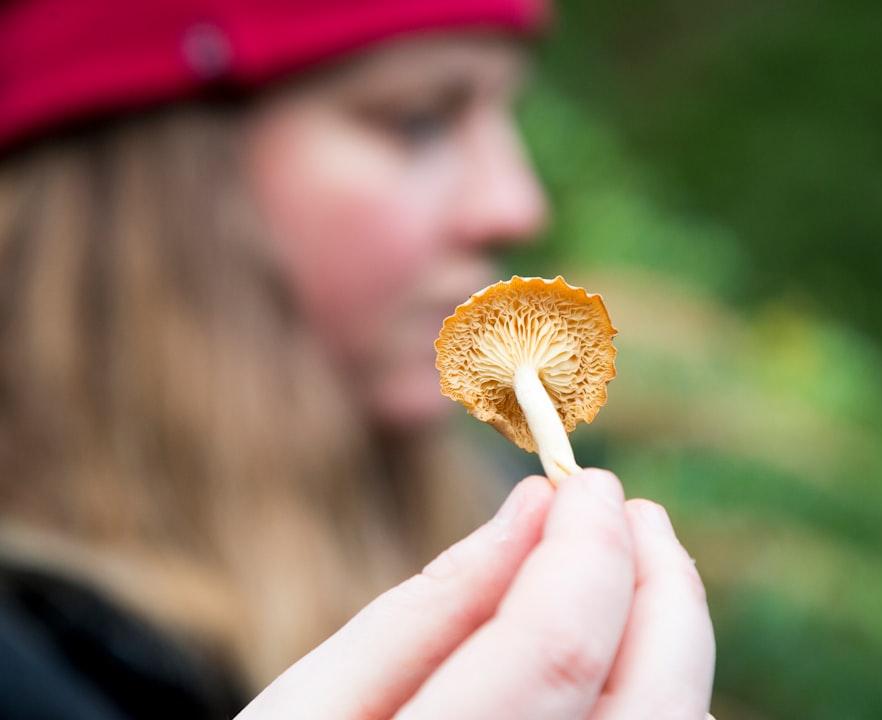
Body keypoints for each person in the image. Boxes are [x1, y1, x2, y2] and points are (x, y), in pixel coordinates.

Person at [0, 0, 716, 717]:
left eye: (508, 118)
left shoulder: (499, 510)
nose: (516, 205)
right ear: (162, 188)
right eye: (421, 120)